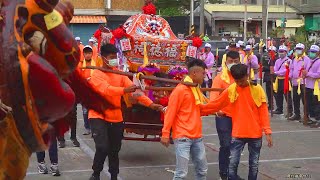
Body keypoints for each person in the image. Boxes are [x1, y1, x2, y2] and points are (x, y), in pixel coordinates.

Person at [88, 43, 163, 180]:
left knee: (114, 150)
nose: (114, 60)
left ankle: (114, 176)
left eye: (115, 57)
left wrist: (151, 104)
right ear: (103, 58)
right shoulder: (96, 74)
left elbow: (136, 93)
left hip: (116, 117)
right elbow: (106, 90)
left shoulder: (119, 74)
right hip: (98, 115)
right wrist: (124, 90)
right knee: (102, 147)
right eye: (111, 57)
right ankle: (96, 173)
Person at [200, 64, 273, 180]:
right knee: (233, 164)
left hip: (255, 134)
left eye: (242, 81)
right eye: (237, 81)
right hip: (238, 133)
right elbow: (216, 104)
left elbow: (263, 111)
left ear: (247, 75)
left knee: (253, 165)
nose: (240, 84)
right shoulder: (231, 90)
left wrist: (267, 131)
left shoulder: (257, 89)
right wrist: (199, 110)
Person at [160, 59, 208, 180]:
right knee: (181, 174)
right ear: (194, 73)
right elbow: (170, 112)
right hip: (182, 137)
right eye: (203, 73)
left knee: (202, 171)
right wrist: (165, 133)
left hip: (197, 136)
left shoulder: (196, 89)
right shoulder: (180, 90)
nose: (205, 76)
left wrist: (218, 110)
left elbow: (204, 108)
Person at [210, 51, 240, 180]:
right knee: (226, 144)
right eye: (230, 61)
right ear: (225, 61)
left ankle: (232, 173)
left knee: (236, 146)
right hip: (223, 116)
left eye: (236, 61)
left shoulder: (242, 77)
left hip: (239, 117)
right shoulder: (220, 78)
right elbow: (213, 97)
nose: (233, 64)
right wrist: (217, 109)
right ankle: (224, 172)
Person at [289, 43, 310, 121]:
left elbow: (307, 70)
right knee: (295, 99)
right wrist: (290, 76)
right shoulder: (294, 59)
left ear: (303, 50)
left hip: (303, 82)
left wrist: (304, 75)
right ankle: (297, 114)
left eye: (300, 49)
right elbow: (292, 69)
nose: (298, 50)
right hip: (295, 82)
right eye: (297, 49)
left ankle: (306, 115)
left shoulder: (306, 59)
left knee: (304, 100)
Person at [79, 45, 96, 135]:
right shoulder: (80, 64)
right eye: (86, 53)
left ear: (92, 54)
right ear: (84, 54)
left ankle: (94, 129)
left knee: (93, 111)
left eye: (89, 53)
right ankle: (87, 128)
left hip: (94, 90)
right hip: (84, 91)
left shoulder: (96, 64)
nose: (88, 55)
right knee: (85, 111)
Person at [302, 45, 320, 127]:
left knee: (316, 103)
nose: (311, 53)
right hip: (308, 85)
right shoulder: (309, 61)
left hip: (316, 87)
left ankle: (318, 119)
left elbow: (318, 74)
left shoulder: (319, 62)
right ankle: (312, 118)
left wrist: (308, 74)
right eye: (310, 52)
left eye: (313, 52)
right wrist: (304, 74)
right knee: (309, 103)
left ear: (318, 53)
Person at [272, 45, 293, 117]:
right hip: (278, 79)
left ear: (286, 52)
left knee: (287, 96)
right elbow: (275, 68)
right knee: (278, 95)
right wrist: (277, 72)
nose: (281, 53)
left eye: (282, 52)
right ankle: (279, 108)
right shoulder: (277, 61)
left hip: (285, 79)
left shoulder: (289, 61)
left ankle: (290, 111)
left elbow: (286, 71)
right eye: (280, 51)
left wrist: (277, 72)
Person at [263, 46, 277, 111]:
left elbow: (273, 69)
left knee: (274, 93)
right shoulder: (268, 59)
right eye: (269, 51)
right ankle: (270, 105)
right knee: (268, 93)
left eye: (271, 52)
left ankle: (277, 106)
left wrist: (265, 68)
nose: (269, 53)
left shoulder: (275, 59)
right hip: (267, 78)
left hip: (273, 78)